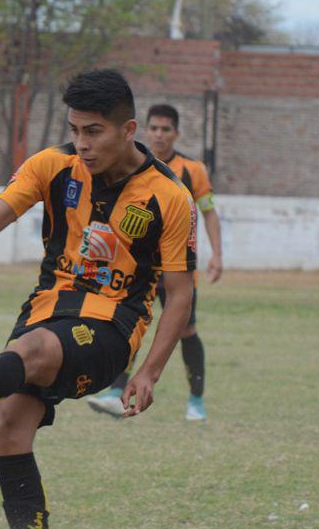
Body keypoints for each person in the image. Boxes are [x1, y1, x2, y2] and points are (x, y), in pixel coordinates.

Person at [0, 69, 197, 529]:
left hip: (112, 327)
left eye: (94, 131)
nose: (82, 143)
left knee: (33, 351)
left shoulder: (170, 196)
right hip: (45, 309)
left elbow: (181, 294)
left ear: (128, 130)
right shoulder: (51, 165)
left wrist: (148, 372)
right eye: (74, 130)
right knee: (8, 423)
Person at [87, 103, 222, 421]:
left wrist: (217, 253)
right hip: (138, 267)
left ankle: (196, 402)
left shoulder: (193, 170)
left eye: (166, 129)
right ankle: (116, 391)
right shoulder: (128, 165)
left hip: (176, 268)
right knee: (126, 324)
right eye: (155, 128)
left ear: (176, 133)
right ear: (144, 130)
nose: (160, 135)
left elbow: (209, 212)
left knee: (186, 330)